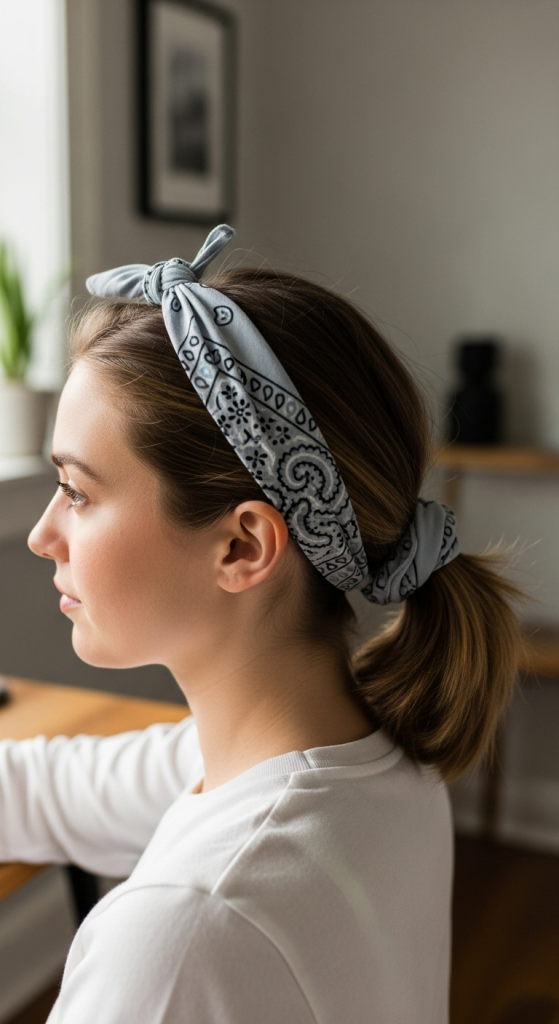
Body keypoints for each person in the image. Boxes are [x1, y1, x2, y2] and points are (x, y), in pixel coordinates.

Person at [1, 226, 520, 1023]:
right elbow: (42, 790)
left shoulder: (178, 938)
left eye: (77, 491)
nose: (43, 535)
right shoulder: (377, 756)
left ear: (243, 546)